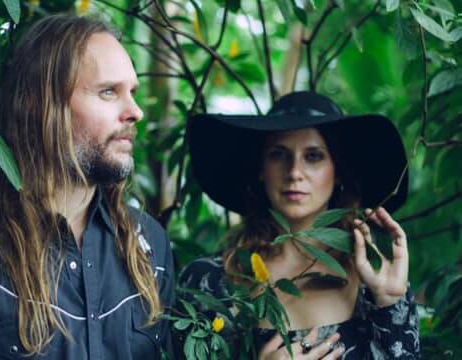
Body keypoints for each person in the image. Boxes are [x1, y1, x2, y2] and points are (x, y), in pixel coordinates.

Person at [0, 15, 174, 359]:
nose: (135, 111)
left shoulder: (150, 246)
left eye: (131, 92)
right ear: (39, 104)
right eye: (107, 92)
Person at [179, 91, 420, 359]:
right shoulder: (208, 282)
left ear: (337, 171)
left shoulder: (375, 281)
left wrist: (388, 303)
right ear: (261, 168)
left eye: (314, 156)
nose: (294, 172)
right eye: (279, 155)